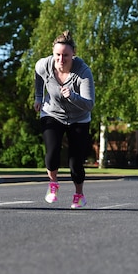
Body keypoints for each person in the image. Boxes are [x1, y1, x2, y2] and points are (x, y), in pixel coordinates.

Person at [34, 31, 95, 209]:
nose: (61, 59)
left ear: (73, 54)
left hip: (79, 118)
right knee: (52, 152)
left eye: (65, 55)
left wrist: (73, 96)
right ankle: (53, 185)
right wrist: (38, 97)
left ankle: (79, 194)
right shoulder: (44, 65)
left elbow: (89, 104)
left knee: (75, 162)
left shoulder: (83, 72)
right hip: (51, 113)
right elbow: (38, 76)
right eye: (58, 55)